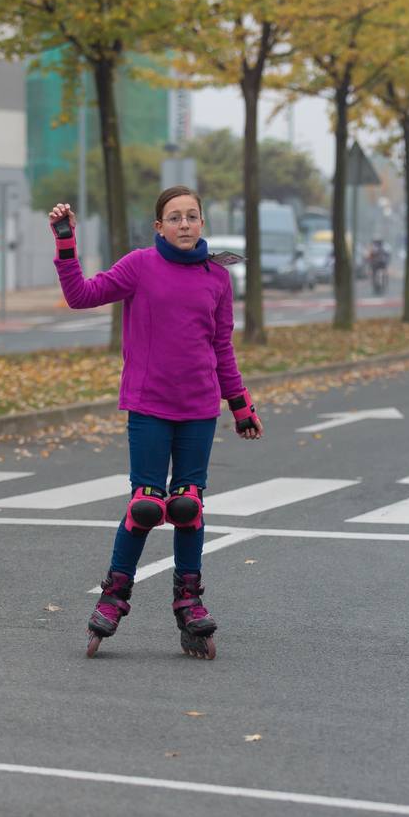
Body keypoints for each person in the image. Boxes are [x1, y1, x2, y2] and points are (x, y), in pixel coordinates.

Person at [49, 186, 263, 661]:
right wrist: (66, 244)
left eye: (192, 216)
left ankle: (189, 602)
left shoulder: (217, 279)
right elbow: (80, 296)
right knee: (146, 506)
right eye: (175, 217)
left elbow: (221, 348)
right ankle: (113, 594)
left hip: (200, 407)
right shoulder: (139, 266)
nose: (184, 224)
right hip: (149, 405)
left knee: (188, 506)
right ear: (159, 226)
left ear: (203, 223)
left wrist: (240, 404)